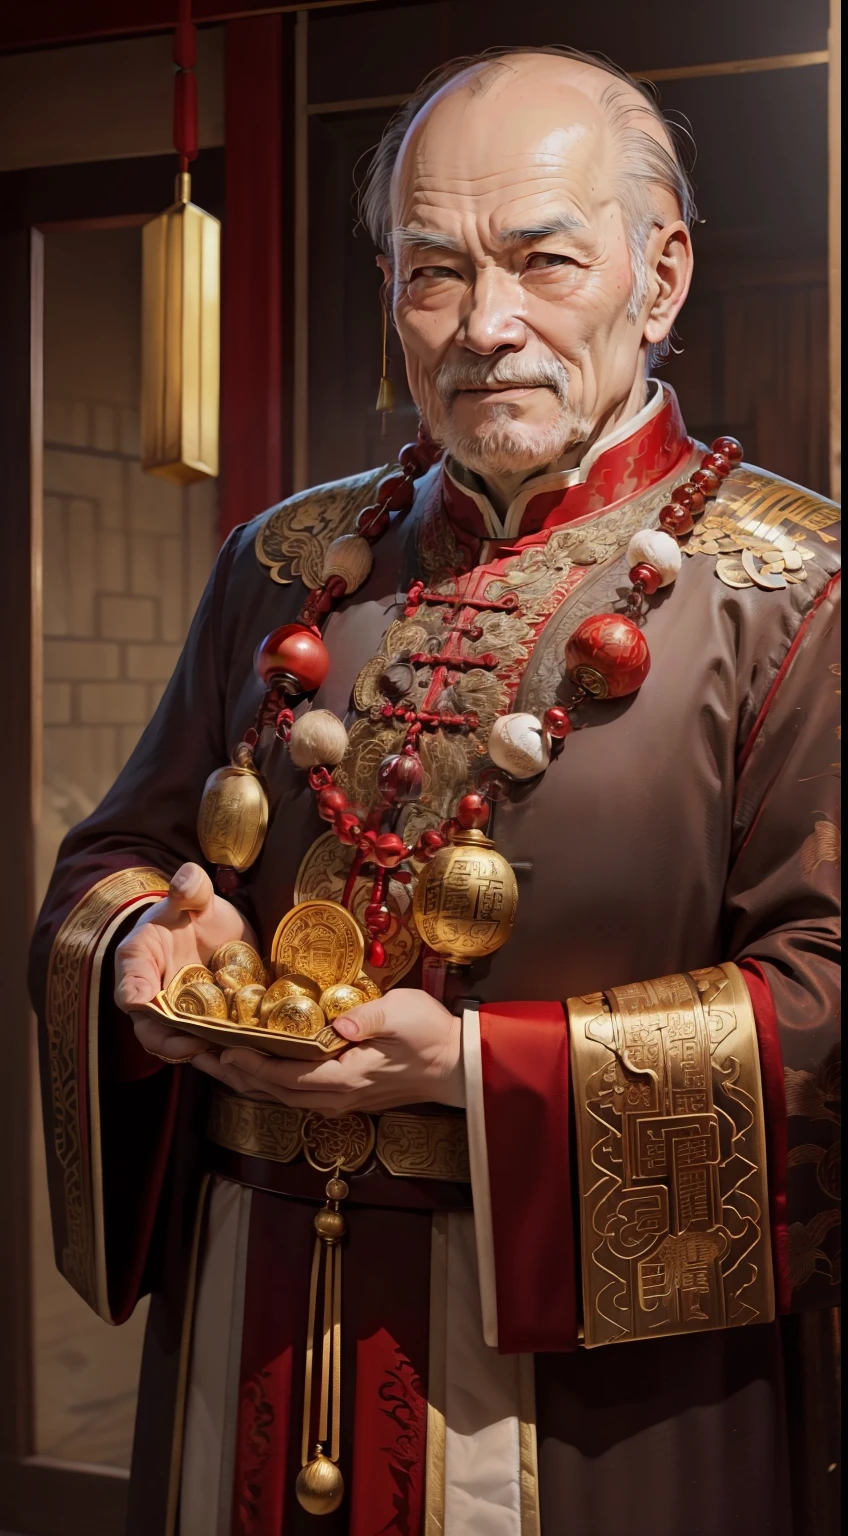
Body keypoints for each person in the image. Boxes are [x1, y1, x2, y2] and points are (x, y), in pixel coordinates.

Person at [31, 46, 840, 1536]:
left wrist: (470, 1075)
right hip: (250, 1283)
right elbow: (118, 856)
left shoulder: (790, 589)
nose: (487, 326)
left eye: (544, 261)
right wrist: (142, 947)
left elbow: (828, 997)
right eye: (431, 274)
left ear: (658, 277)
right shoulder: (286, 560)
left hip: (588, 1361)